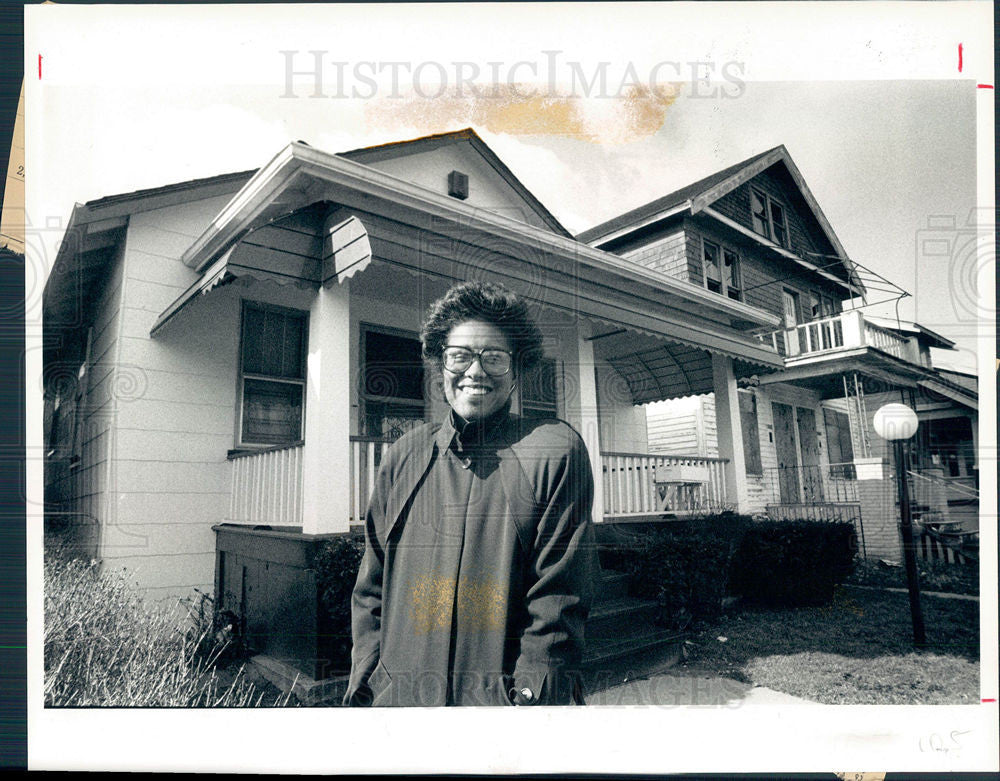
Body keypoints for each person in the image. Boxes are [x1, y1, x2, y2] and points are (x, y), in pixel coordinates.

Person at [343, 280, 599, 706]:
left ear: (517, 369)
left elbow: (558, 605)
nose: (475, 371)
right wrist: (366, 684)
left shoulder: (553, 451)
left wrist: (527, 703)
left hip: (499, 725)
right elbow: (370, 590)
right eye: (459, 356)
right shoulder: (404, 456)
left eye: (494, 358)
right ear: (440, 366)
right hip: (399, 712)